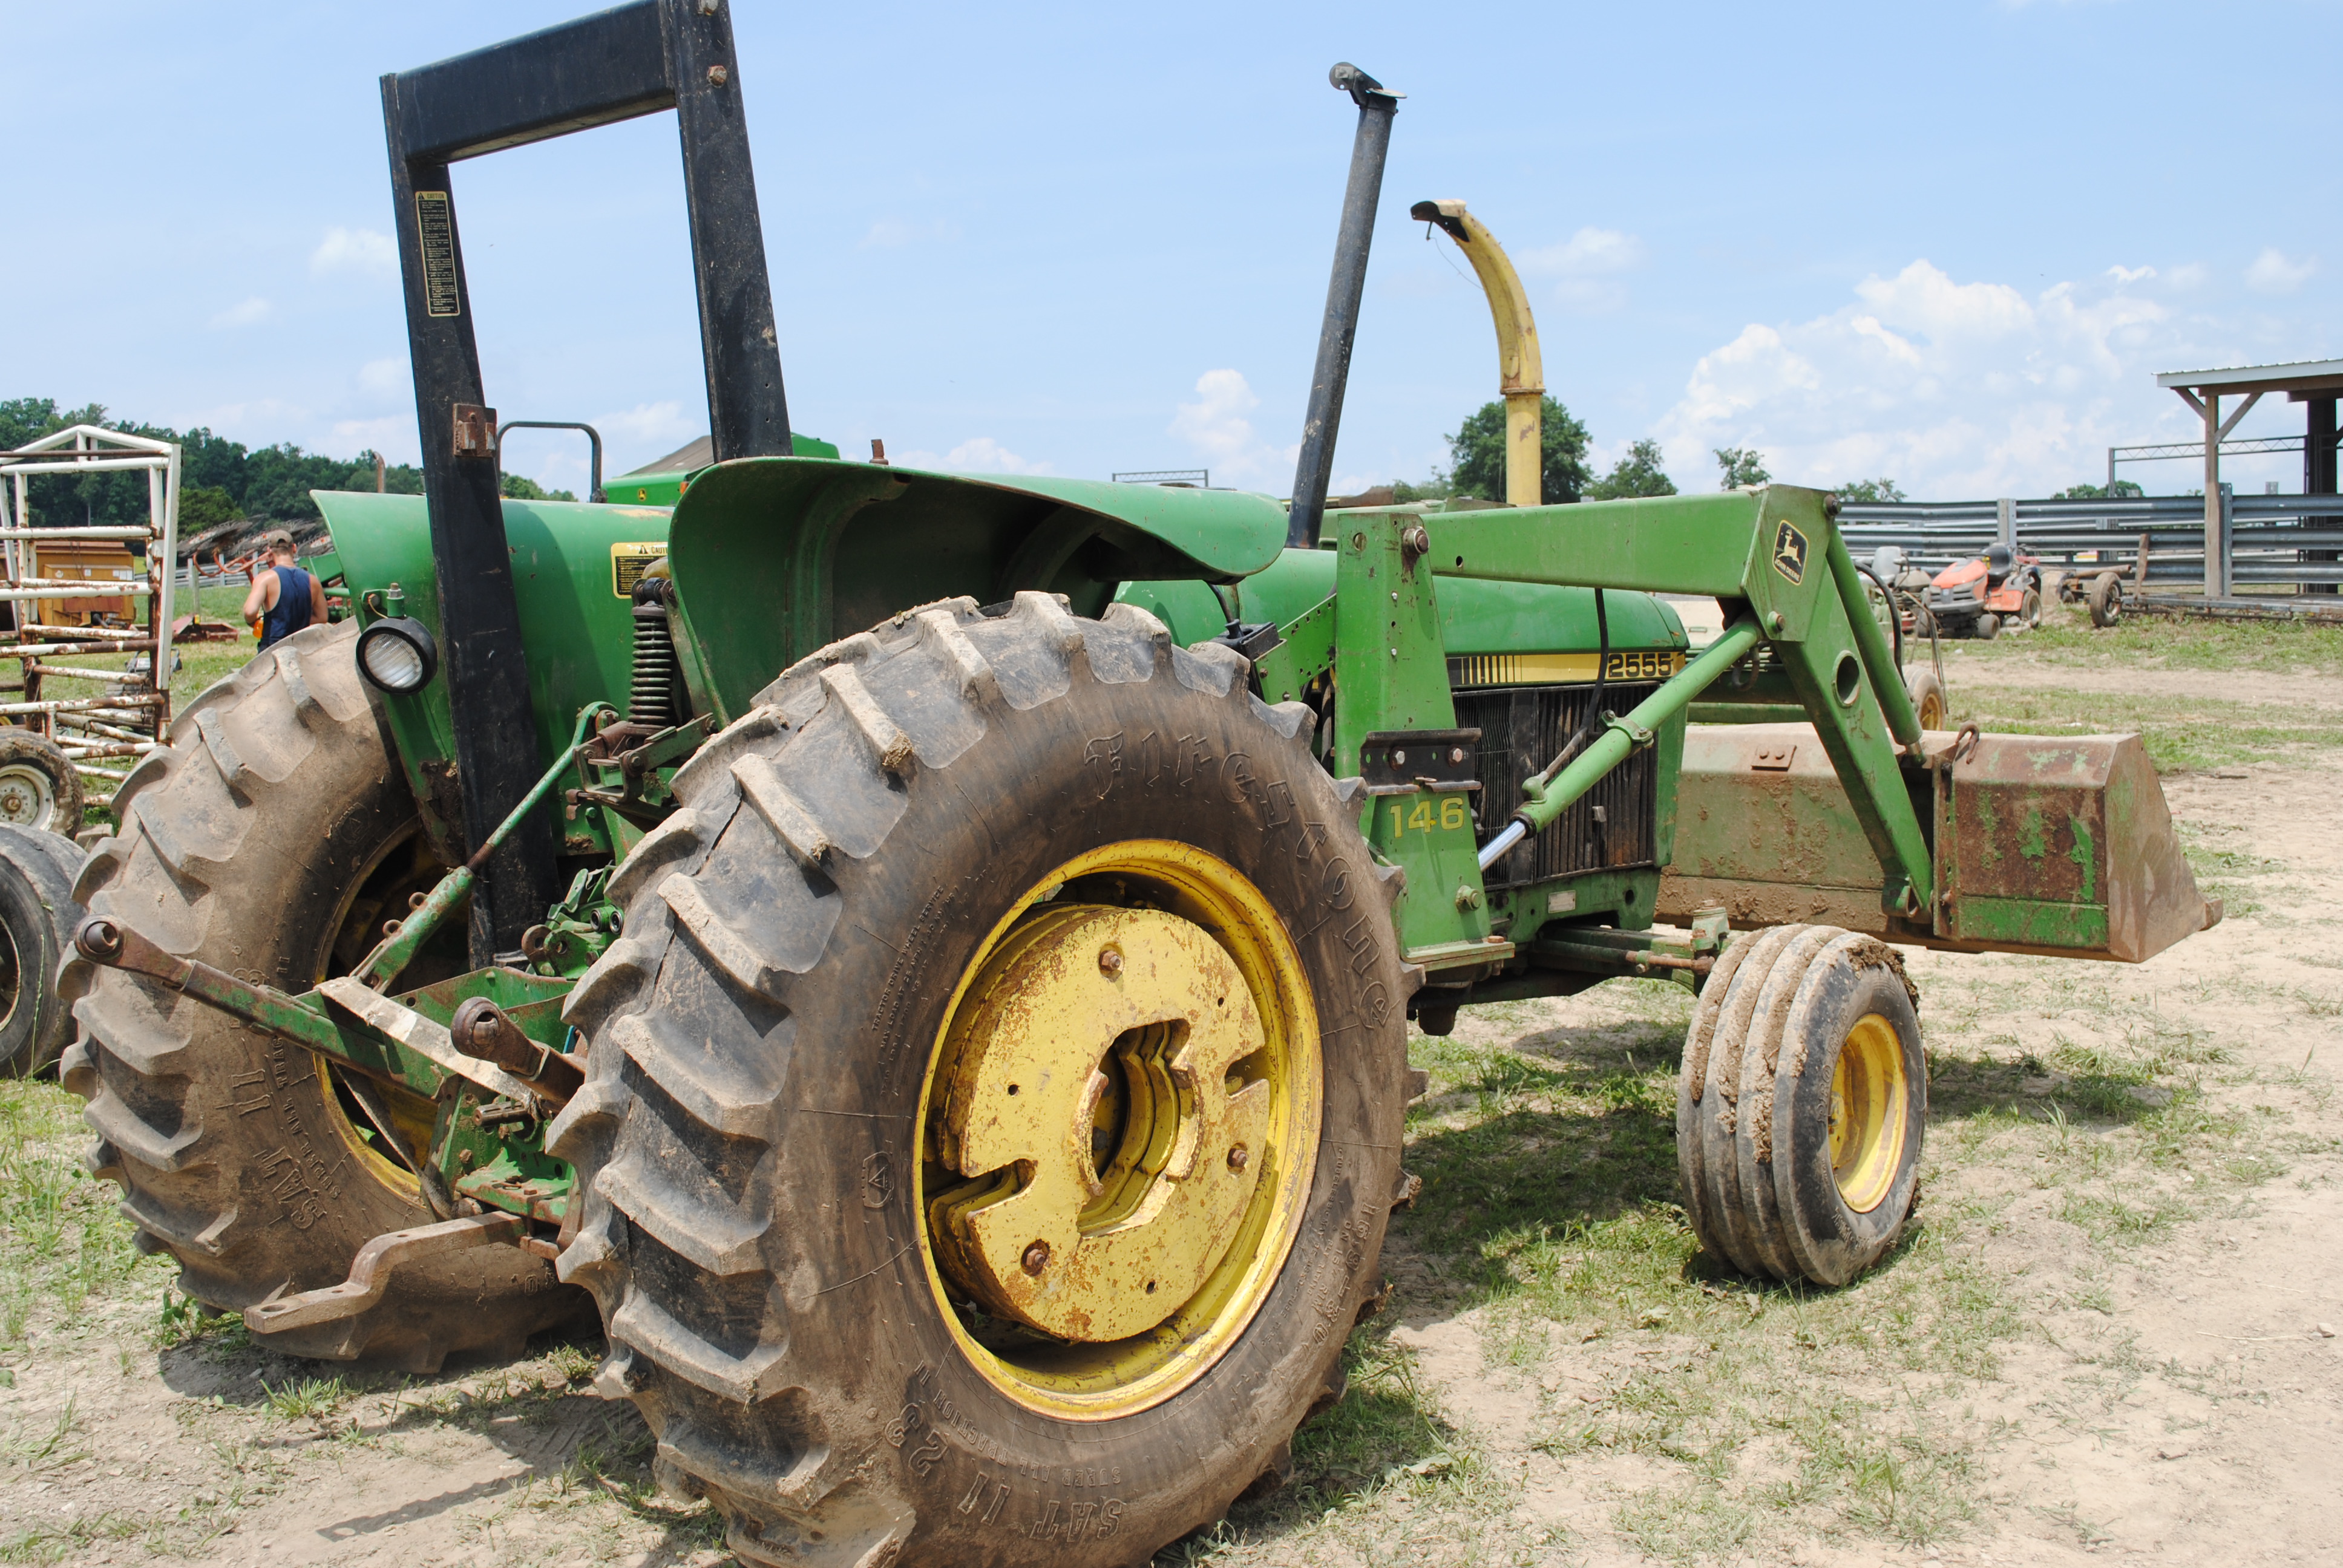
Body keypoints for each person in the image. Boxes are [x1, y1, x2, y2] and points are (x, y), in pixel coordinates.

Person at [240, 529, 326, 652]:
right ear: (294, 548)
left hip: (273, 649)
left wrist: (254, 622)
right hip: (303, 649)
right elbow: (322, 617)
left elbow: (249, 612)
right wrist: (297, 617)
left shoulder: (265, 579)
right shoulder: (313, 581)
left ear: (269, 551)